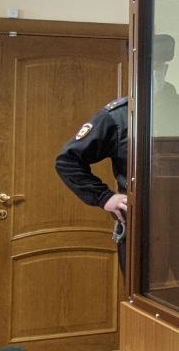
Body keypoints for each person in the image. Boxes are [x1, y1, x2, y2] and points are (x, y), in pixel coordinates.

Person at [55, 96, 130, 271]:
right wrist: (104, 197)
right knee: (138, 289)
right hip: (141, 227)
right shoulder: (120, 115)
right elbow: (68, 161)